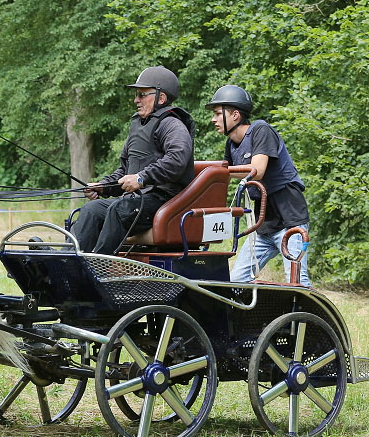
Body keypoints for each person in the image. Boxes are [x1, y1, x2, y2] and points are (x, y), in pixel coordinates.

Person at [70, 66, 195, 254]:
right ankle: (69, 264)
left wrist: (141, 178)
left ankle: (97, 267)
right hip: (135, 201)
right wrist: (104, 186)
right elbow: (125, 171)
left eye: (142, 94)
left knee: (119, 209)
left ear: (161, 98)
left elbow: (177, 160)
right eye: (137, 94)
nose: (136, 100)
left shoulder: (172, 124)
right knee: (91, 210)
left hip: (163, 201)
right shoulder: (137, 125)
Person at [206, 85, 310, 286]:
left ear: (235, 115)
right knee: (237, 280)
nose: (213, 119)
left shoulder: (261, 130)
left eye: (218, 114)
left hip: (289, 218)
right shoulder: (231, 144)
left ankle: (309, 318)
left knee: (297, 281)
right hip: (263, 223)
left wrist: (215, 172)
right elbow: (225, 177)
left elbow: (257, 170)